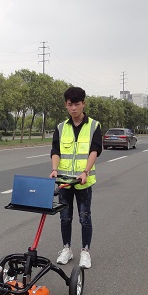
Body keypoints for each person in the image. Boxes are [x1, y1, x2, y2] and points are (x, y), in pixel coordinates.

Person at [49, 86, 102, 269]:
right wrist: (54, 169)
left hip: (83, 182)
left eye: (77, 104)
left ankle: (85, 252)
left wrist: (85, 171)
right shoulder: (61, 127)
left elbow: (95, 150)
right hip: (64, 181)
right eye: (70, 104)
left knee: (84, 217)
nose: (73, 108)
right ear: (66, 105)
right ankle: (67, 249)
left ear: (83, 104)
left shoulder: (94, 126)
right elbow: (55, 150)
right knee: (65, 217)